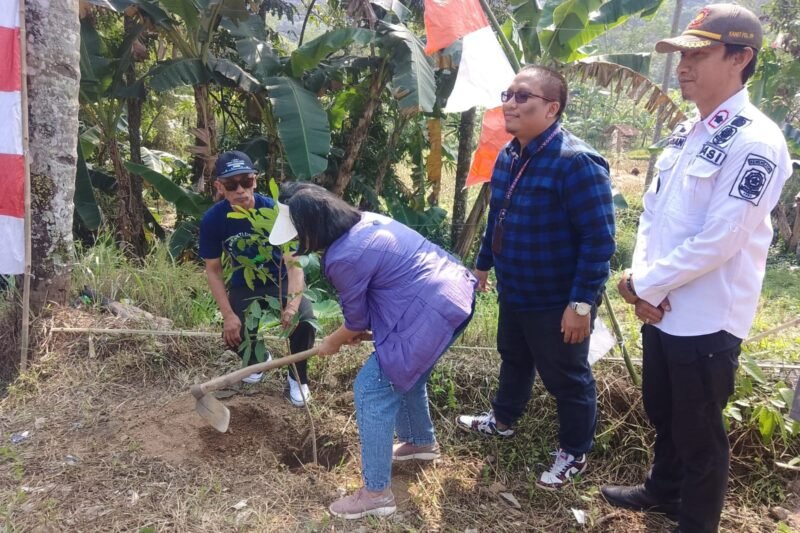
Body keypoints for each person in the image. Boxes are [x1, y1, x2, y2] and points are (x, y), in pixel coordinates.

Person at [601, 5, 792, 533]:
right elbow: (656, 217)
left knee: (699, 428)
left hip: (706, 314)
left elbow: (721, 240)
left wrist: (647, 284)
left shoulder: (756, 140)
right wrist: (642, 283)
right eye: (682, 55)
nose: (683, 66)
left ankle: (698, 521)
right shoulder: (689, 132)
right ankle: (663, 490)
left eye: (698, 55)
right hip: (661, 306)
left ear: (741, 58)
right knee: (663, 408)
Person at [268, 184, 476, 519]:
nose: (296, 243)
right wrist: (354, 331)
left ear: (312, 229)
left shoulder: (342, 256)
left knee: (373, 388)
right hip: (454, 293)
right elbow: (376, 300)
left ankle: (376, 493)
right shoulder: (364, 222)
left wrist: (334, 340)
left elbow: (355, 321)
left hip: (431, 310)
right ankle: (420, 443)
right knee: (404, 374)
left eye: (298, 234)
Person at [456, 65, 616, 490]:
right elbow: (498, 216)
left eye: (522, 96)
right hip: (516, 289)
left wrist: (580, 305)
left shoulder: (576, 162)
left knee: (567, 376)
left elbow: (599, 241)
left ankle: (574, 451)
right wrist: (484, 264)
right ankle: (504, 419)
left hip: (556, 299)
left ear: (551, 109)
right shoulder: (509, 155)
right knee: (514, 356)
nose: (510, 103)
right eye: (507, 94)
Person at [198, 151, 316, 406]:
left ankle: (298, 378)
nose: (240, 190)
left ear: (255, 181)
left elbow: (294, 264)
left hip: (281, 279)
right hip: (246, 282)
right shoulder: (213, 220)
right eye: (231, 184)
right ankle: (259, 361)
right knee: (233, 333)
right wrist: (228, 315)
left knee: (305, 321)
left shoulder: (274, 212)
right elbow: (213, 270)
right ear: (220, 187)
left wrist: (293, 305)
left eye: (246, 182)